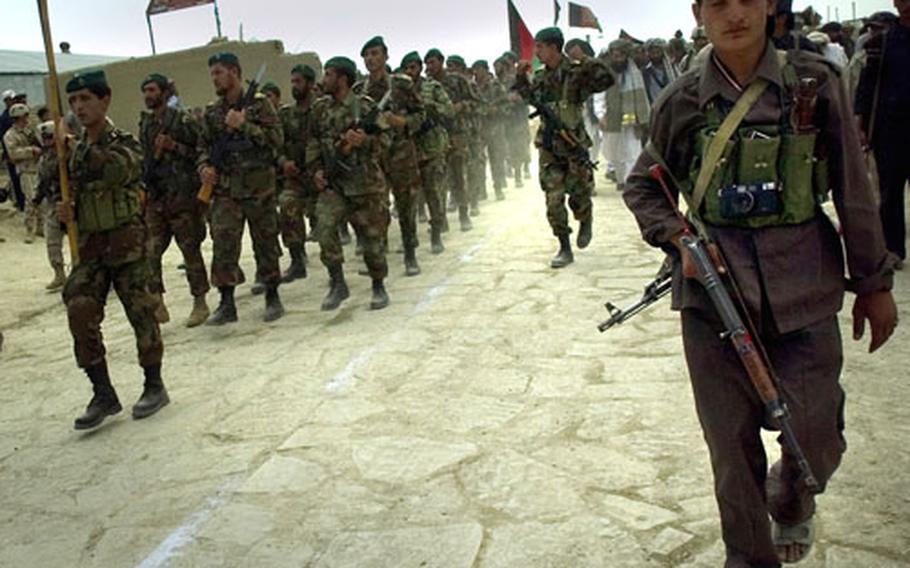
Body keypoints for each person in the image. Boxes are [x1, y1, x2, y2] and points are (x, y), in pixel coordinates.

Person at [622, 0, 899, 564]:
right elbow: (644, 185)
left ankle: (793, 503)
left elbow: (852, 185)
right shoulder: (681, 101)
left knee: (816, 439)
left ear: (770, 5)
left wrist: (873, 283)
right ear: (698, 12)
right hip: (714, 302)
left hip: (805, 289)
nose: (734, 15)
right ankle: (747, 556)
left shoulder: (814, 83)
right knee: (731, 446)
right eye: (717, 3)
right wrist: (678, 240)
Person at [57, 69, 169, 430]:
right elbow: (56, 188)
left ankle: (154, 385)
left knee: (143, 315)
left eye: (85, 99)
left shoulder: (124, 142)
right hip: (91, 250)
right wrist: (65, 212)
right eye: (73, 101)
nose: (79, 107)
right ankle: (103, 392)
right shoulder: (68, 154)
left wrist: (74, 147)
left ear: (104, 100)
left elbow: (116, 169)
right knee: (79, 307)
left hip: (127, 247)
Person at [514, 27, 614, 269]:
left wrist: (586, 59)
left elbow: (606, 80)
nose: (536, 51)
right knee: (553, 199)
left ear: (554, 47)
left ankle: (585, 219)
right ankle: (564, 247)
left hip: (574, 143)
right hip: (549, 145)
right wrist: (520, 77)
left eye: (540, 47)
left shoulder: (576, 72)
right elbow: (528, 97)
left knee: (579, 195)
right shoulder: (540, 76)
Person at [198, 52, 286, 325]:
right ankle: (226, 302)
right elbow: (202, 147)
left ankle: (272, 295)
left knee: (266, 242)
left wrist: (245, 126)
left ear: (235, 72)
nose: (215, 78)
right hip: (227, 190)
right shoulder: (213, 111)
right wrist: (204, 168)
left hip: (259, 187)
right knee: (223, 243)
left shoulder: (260, 106)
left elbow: (276, 141)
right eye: (212, 73)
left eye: (219, 72)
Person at [305, 56, 392, 311]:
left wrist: (364, 141)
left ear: (342, 79)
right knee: (324, 226)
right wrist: (316, 171)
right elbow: (312, 143)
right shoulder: (320, 109)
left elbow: (386, 141)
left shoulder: (365, 107)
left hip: (364, 184)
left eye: (329, 75)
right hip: (335, 185)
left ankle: (378, 285)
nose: (324, 80)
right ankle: (337, 282)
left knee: (372, 239)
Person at [139, 73, 211, 328]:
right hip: (157, 198)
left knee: (190, 250)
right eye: (145, 90)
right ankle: (157, 300)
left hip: (182, 196)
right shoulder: (146, 123)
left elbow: (201, 151)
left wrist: (174, 146)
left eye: (152, 90)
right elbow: (145, 157)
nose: (148, 95)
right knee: (150, 251)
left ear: (164, 92)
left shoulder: (182, 119)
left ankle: (200, 301)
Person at [358, 36, 426, 276]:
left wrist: (403, 122)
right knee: (376, 209)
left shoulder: (401, 85)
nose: (370, 59)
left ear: (386, 56)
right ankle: (378, 257)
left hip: (400, 154)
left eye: (375, 53)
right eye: (366, 55)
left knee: (406, 206)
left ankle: (410, 254)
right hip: (373, 158)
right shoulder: (359, 91)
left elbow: (421, 115)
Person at [856, 0, 910, 269]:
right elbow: (866, 86)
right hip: (890, 130)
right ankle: (893, 250)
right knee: (890, 192)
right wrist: (861, 124)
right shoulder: (882, 42)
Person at [401, 50, 453, 254]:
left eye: (412, 67)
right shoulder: (398, 91)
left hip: (431, 147)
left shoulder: (432, 87)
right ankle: (410, 241)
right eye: (405, 68)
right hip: (409, 150)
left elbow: (448, 109)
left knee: (434, 193)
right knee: (409, 198)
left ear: (419, 68)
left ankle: (436, 234)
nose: (409, 72)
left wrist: (429, 107)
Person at [424, 48, 478, 231]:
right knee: (438, 180)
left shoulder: (458, 81)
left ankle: (464, 215)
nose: (429, 67)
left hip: (457, 134)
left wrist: (461, 106)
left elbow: (476, 102)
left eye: (432, 62)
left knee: (458, 175)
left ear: (441, 61)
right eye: (427, 64)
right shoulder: (428, 86)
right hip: (436, 138)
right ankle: (442, 221)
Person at [276, 64, 318, 284]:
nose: (294, 86)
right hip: (297, 177)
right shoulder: (285, 114)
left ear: (310, 84)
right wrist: (284, 162)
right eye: (292, 81)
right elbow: (277, 146)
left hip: (322, 175)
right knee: (287, 205)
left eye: (298, 81)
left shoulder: (322, 110)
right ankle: (297, 259)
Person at [594, 39, 650, 191]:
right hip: (612, 117)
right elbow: (599, 95)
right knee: (613, 151)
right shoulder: (605, 73)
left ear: (626, 56)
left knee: (632, 150)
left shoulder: (634, 73)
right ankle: (620, 178)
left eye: (620, 56)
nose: (617, 59)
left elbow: (641, 96)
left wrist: (644, 117)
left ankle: (628, 181)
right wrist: (601, 115)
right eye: (614, 56)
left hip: (632, 118)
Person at [33, 120, 67, 290]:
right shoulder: (44, 159)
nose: (47, 140)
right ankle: (59, 273)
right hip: (54, 204)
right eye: (44, 137)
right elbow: (41, 180)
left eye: (50, 136)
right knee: (52, 242)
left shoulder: (69, 153)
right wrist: (36, 198)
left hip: (72, 204)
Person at [3, 103, 42, 243]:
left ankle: (41, 228)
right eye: (23, 116)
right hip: (26, 170)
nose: (26, 119)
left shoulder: (32, 130)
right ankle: (29, 230)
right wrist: (31, 151)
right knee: (31, 200)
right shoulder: (10, 135)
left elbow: (42, 142)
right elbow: (13, 154)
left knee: (42, 199)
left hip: (39, 167)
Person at [472, 59, 509, 201]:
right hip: (479, 128)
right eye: (474, 70)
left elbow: (506, 105)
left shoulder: (496, 86)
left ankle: (498, 187)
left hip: (495, 127)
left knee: (496, 158)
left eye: (478, 69)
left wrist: (497, 110)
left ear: (485, 70)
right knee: (478, 160)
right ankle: (481, 189)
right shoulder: (473, 87)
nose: (476, 72)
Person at [642, 38, 680, 103]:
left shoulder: (672, 68)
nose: (655, 56)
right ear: (648, 54)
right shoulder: (645, 72)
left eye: (657, 52)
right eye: (653, 53)